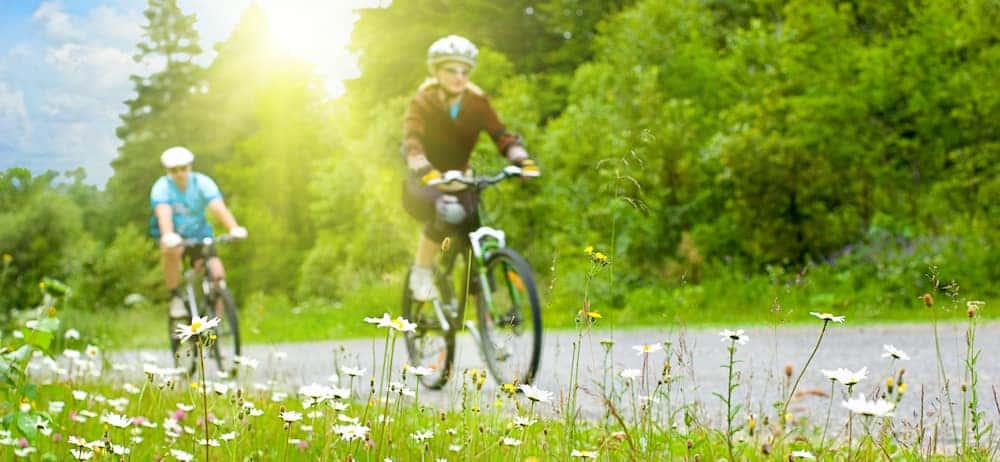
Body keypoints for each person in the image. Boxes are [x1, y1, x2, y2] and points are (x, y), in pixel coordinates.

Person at [401, 35, 538, 301]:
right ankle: (422, 270)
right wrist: (421, 165)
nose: (459, 76)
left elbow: (501, 135)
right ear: (437, 71)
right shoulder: (423, 102)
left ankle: (484, 313)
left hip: (459, 178)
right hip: (425, 178)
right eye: (451, 70)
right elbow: (412, 140)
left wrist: (522, 160)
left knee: (475, 234)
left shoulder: (478, 103)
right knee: (448, 211)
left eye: (464, 71)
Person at [149, 146, 247, 322]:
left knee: (217, 274)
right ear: (167, 171)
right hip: (175, 236)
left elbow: (218, 207)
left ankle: (215, 325)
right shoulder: (161, 187)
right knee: (171, 251)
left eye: (183, 168)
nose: (179, 173)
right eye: (174, 170)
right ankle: (175, 297)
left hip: (200, 234)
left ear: (190, 167)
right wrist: (168, 235)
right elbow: (163, 213)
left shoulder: (202, 182)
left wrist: (233, 228)